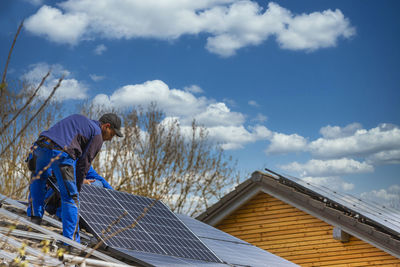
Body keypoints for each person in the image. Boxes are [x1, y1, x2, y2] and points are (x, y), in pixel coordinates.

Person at [27, 113, 122, 243]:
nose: (111, 139)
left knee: (38, 180)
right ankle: (71, 242)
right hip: (61, 152)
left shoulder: (80, 120)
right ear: (106, 126)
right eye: (112, 134)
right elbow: (84, 163)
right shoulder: (97, 134)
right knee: (71, 198)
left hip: (40, 146)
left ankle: (34, 219)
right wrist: (77, 188)